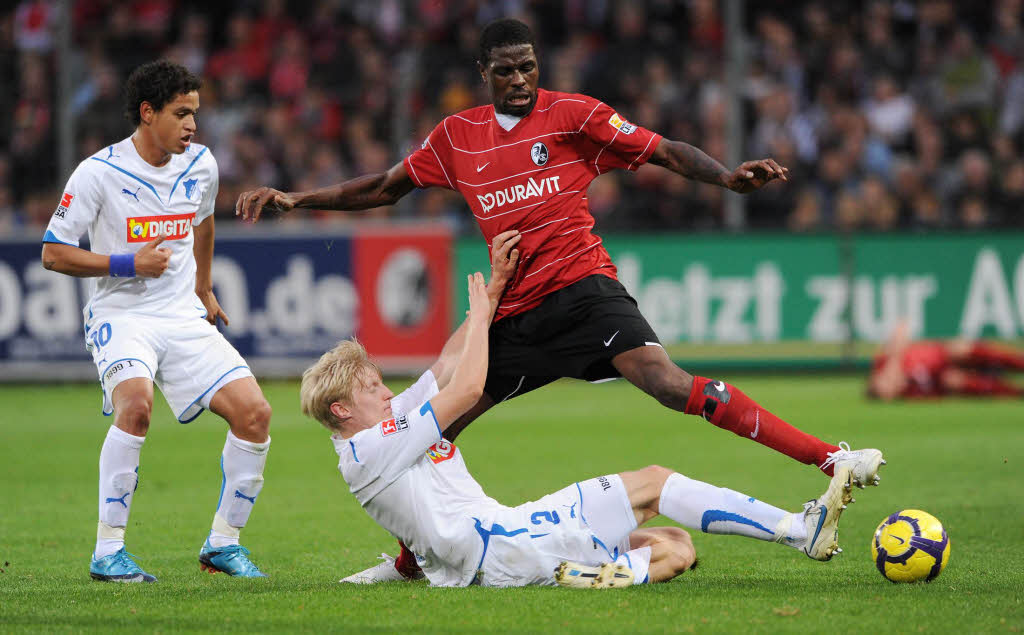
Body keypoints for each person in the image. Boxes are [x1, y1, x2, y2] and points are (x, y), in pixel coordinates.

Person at [238, 18, 882, 578]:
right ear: (482, 74)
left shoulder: (576, 115)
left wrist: (726, 176)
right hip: (517, 317)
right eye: (505, 71)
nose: (520, 80)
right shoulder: (456, 136)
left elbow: (661, 150)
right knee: (433, 436)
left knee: (664, 382)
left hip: (581, 289)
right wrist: (298, 198)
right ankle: (413, 559)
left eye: (528, 67)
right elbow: (383, 187)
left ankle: (828, 457)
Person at [300, 243, 856, 588]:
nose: (388, 392)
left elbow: (446, 366)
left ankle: (622, 571)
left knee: (674, 543)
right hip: (501, 549)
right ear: (344, 409)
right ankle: (798, 532)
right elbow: (467, 385)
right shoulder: (371, 448)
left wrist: (494, 289)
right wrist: (482, 310)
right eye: (374, 388)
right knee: (656, 489)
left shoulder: (385, 426)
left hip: (504, 534)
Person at [41, 60, 272, 582]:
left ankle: (223, 544)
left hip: (182, 315)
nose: (193, 124)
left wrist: (204, 286)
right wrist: (128, 263)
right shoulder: (99, 172)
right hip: (122, 315)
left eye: (196, 112)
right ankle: (108, 551)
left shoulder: (202, 164)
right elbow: (53, 253)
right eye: (181, 113)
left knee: (255, 415)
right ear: (148, 114)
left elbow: (205, 220)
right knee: (137, 407)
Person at [868, 322, 1024, 400]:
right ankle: (1016, 392)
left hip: (943, 354)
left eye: (886, 382)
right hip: (943, 376)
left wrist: (894, 363)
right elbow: (934, 393)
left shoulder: (885, 360)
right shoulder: (911, 391)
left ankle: (1019, 362)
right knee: (955, 381)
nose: (892, 386)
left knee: (960, 348)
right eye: (890, 391)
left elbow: (902, 327)